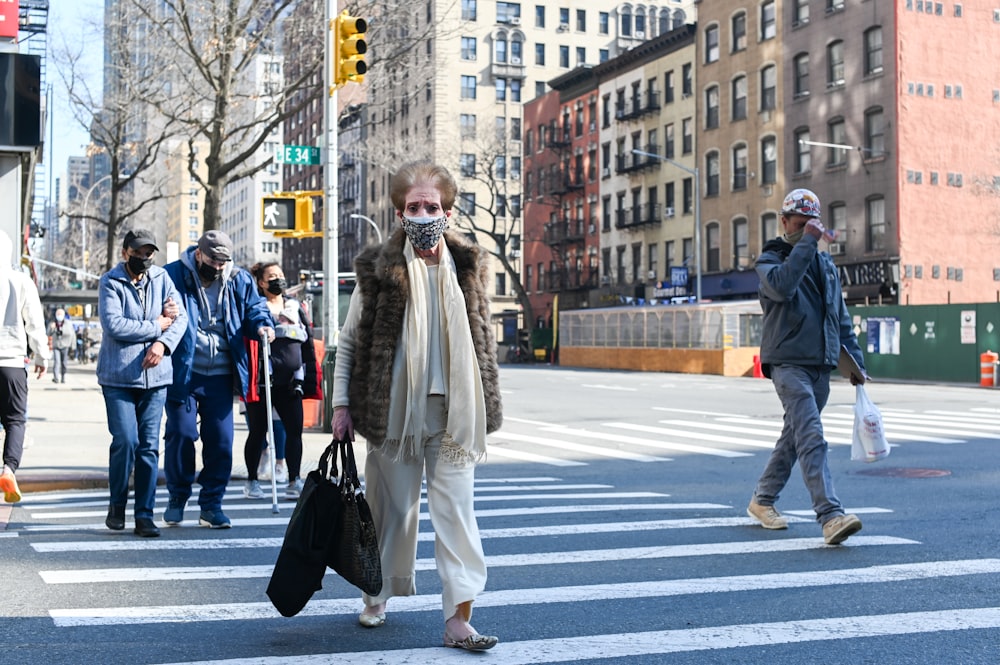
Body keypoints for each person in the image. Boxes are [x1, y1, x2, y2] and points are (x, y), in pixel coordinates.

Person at [332, 162, 503, 651]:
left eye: (433, 206)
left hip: (454, 417)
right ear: (399, 212)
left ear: (448, 212)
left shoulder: (468, 268)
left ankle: (458, 619)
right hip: (392, 415)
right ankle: (376, 595)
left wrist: (486, 397)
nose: (424, 213)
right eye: (414, 207)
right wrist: (342, 406)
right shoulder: (378, 271)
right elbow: (348, 344)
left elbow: (481, 342)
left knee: (457, 515)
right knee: (393, 512)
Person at [747, 188, 868, 546]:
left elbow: (840, 318)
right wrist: (807, 243)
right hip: (788, 364)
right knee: (811, 435)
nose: (807, 232)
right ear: (784, 222)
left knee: (794, 439)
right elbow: (783, 288)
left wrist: (855, 364)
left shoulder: (826, 266)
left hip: (820, 367)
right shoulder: (770, 260)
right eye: (800, 225)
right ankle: (830, 515)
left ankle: (762, 500)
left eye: (812, 225)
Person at [163, 230, 274, 529]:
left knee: (221, 442)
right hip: (183, 372)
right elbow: (153, 308)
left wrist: (263, 326)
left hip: (223, 373)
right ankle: (177, 495)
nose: (218, 266)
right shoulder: (172, 275)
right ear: (199, 254)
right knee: (181, 434)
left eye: (223, 261)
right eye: (213, 259)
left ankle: (211, 504)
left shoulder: (239, 279)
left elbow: (255, 308)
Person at [96, 229, 187, 538]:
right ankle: (117, 505)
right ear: (126, 253)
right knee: (126, 441)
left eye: (149, 253)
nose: (144, 258)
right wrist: (156, 325)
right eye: (139, 253)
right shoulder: (110, 281)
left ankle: (144, 515)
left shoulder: (162, 279)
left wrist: (162, 344)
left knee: (149, 447)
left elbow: (181, 319)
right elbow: (114, 324)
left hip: (156, 379)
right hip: (118, 377)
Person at [242, 261, 320, 500]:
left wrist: (307, 377)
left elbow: (307, 343)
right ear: (261, 282)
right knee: (257, 431)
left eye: (281, 274)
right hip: (262, 381)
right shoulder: (255, 308)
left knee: (294, 430)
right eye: (272, 276)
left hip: (290, 383)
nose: (278, 279)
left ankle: (294, 478)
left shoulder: (295, 307)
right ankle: (252, 480)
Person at [0, 230, 51, 504]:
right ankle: (9, 469)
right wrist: (42, 357)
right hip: (10, 363)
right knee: (15, 420)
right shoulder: (20, 281)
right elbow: (35, 323)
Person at [46, 308, 77, 383]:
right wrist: (52, 328)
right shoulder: (52, 323)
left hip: (65, 345)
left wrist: (73, 346)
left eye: (60, 314)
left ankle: (63, 376)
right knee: (57, 362)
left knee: (64, 363)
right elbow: (48, 334)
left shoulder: (68, 323)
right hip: (56, 345)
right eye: (58, 314)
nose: (59, 316)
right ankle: (56, 377)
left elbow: (72, 334)